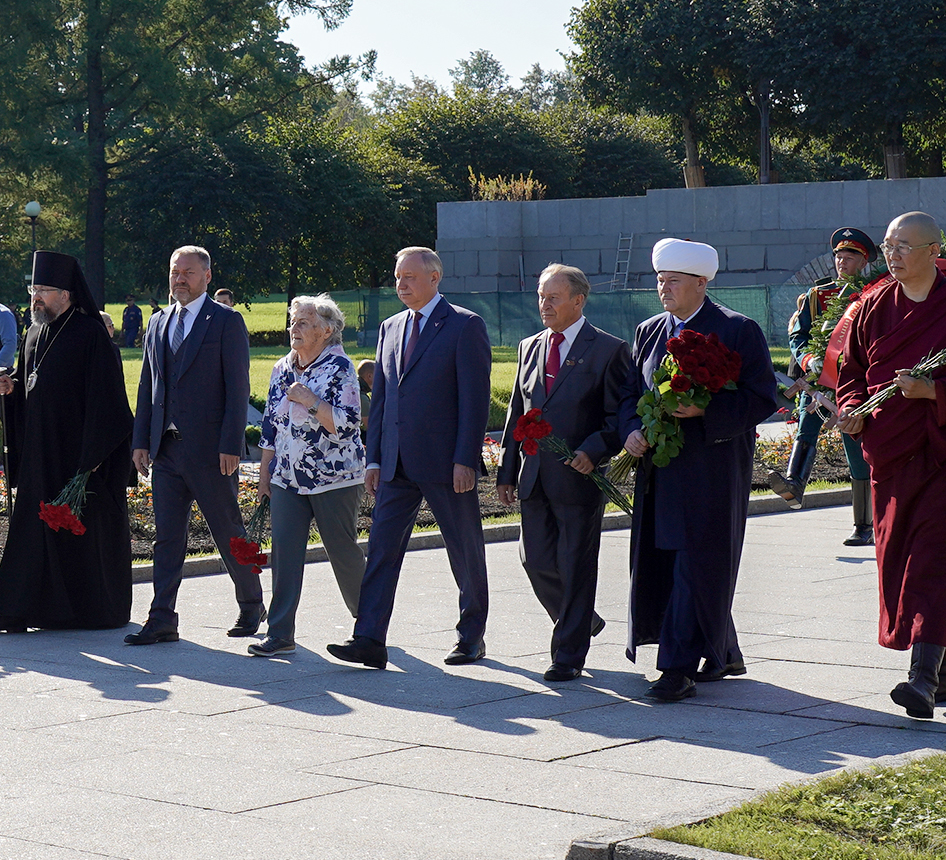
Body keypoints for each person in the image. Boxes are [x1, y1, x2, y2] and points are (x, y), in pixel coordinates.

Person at [833, 212, 946, 717]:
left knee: (934, 560)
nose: (892, 254)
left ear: (934, 250)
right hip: (891, 456)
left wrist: (934, 390)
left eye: (904, 245)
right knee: (899, 563)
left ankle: (922, 682)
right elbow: (852, 370)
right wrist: (849, 408)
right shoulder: (871, 306)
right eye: (889, 244)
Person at [620, 238, 780, 703]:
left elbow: (762, 397)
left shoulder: (736, 329)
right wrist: (632, 429)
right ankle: (721, 650)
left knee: (696, 559)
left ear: (701, 283)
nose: (663, 288)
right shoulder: (649, 330)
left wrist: (704, 413)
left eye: (672, 281)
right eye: (659, 280)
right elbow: (631, 392)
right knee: (669, 558)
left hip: (711, 468)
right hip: (659, 469)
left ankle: (676, 667)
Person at [331, 246, 492, 670]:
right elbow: (382, 399)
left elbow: (474, 402)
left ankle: (471, 636)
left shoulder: (463, 326)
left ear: (435, 278)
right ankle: (368, 638)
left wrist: (465, 459)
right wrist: (375, 459)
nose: (401, 285)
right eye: (398, 277)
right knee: (382, 549)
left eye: (410, 278)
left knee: (464, 549)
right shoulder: (390, 328)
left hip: (445, 463)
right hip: (396, 465)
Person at [494, 265, 637, 681]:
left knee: (575, 565)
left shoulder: (609, 350)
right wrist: (505, 471)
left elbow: (617, 416)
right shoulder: (529, 347)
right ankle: (581, 618)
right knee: (534, 560)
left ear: (579, 300)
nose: (545, 305)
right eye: (541, 296)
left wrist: (593, 451)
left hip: (578, 477)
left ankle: (568, 655)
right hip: (533, 474)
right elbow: (516, 414)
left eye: (553, 297)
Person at [0, 251, 136, 632]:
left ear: (66, 294)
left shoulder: (90, 335)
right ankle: (17, 611)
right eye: (34, 288)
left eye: (44, 290)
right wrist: (9, 387)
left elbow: (110, 402)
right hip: (40, 452)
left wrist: (92, 460)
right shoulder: (35, 331)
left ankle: (89, 611)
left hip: (79, 459)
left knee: (78, 537)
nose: (36, 297)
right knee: (32, 532)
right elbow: (30, 383)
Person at [128, 246, 261, 644]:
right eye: (174, 272)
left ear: (206, 275)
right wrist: (141, 441)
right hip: (166, 451)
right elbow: (147, 385)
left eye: (187, 272)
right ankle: (162, 617)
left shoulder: (225, 321)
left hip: (210, 452)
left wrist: (232, 444)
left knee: (229, 531)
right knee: (167, 537)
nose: (179, 278)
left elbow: (238, 388)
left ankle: (252, 603)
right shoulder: (157, 322)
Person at [252, 294, 366, 655]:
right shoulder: (282, 367)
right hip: (287, 477)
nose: (294, 329)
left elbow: (347, 427)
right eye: (292, 322)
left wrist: (309, 400)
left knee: (343, 553)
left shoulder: (340, 368)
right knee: (284, 553)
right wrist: (265, 473)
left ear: (326, 330)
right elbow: (270, 425)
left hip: (334, 478)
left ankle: (369, 627)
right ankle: (280, 633)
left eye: (303, 323)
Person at [771, 228, 876, 546]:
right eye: (839, 256)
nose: (842, 261)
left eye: (850, 256)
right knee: (806, 424)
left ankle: (863, 524)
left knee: (856, 450)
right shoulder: (818, 296)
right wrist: (807, 360)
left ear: (864, 261)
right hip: (819, 380)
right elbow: (798, 335)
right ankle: (795, 483)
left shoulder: (875, 294)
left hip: (855, 383)